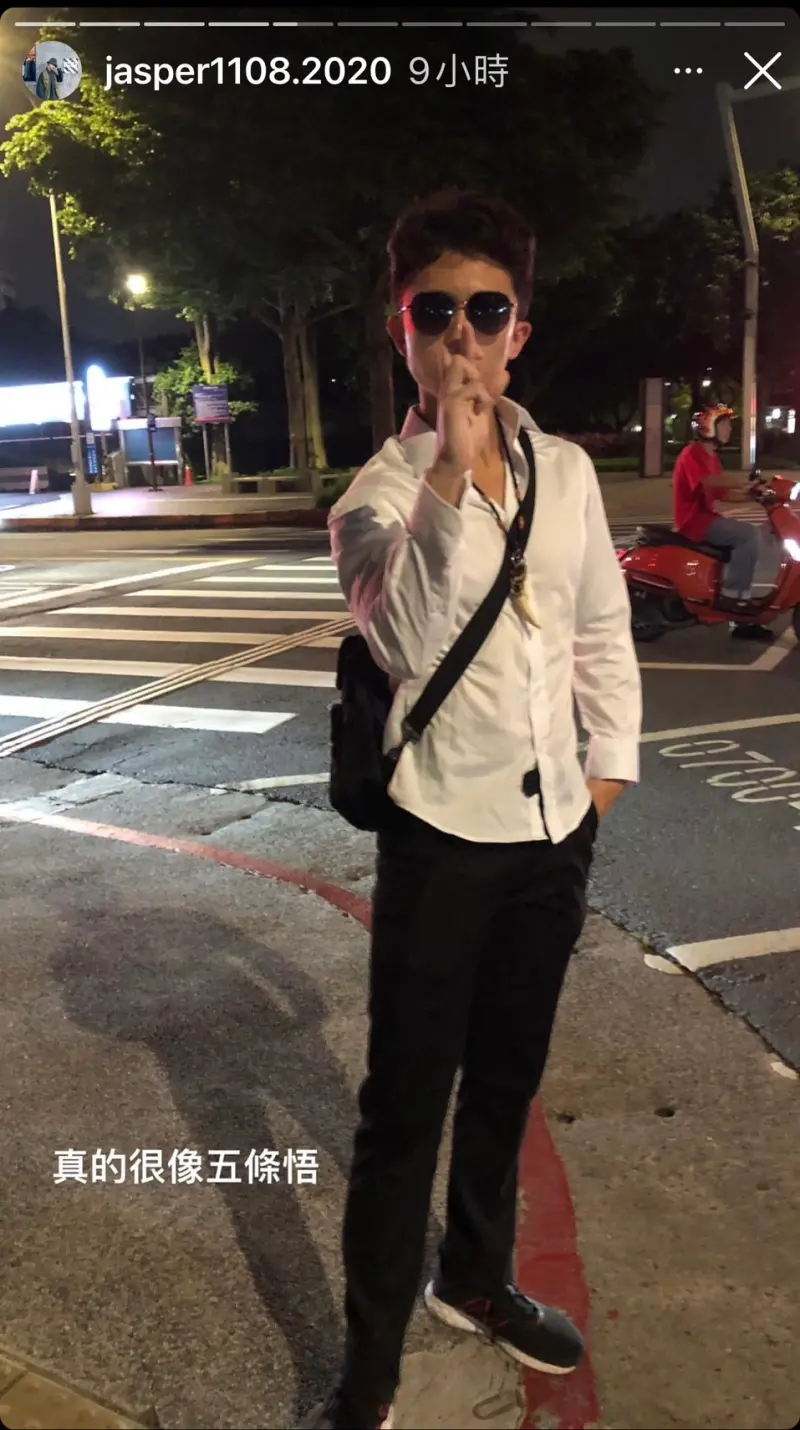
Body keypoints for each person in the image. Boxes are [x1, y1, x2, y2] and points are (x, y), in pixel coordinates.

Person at [304, 189, 642, 1430]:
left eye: (484, 309)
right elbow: (403, 633)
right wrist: (448, 466)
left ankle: (474, 1277)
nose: (461, 332)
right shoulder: (372, 498)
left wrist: (603, 782)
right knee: (403, 1112)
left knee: (504, 1081)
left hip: (553, 837)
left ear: (518, 331)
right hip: (439, 840)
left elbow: (599, 633)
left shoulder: (566, 472)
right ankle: (369, 1372)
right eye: (433, 309)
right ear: (400, 330)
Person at [672, 405, 760, 610]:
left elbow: (723, 494)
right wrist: (740, 483)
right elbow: (708, 480)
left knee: (747, 534)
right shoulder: (692, 453)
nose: (729, 429)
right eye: (725, 425)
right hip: (693, 522)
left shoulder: (712, 457)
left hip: (707, 518)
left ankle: (734, 594)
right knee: (747, 535)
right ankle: (733, 596)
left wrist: (754, 496)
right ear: (709, 428)